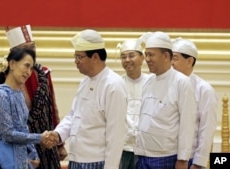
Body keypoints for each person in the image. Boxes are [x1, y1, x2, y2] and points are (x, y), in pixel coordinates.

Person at [51, 29, 127, 169]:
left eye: (79, 57)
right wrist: (58, 134)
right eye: (75, 57)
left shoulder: (113, 85)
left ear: (95, 57)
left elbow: (116, 134)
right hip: (76, 159)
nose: (76, 61)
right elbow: (73, 116)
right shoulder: (85, 82)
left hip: (98, 162)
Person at [0, 25, 67, 169]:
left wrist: (58, 143)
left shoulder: (43, 74)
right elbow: (6, 130)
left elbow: (52, 110)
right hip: (12, 152)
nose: (31, 51)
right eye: (25, 48)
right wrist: (37, 140)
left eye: (32, 47)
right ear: (13, 60)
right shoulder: (2, 87)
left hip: (44, 146)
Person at [134, 31, 197, 169]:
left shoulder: (182, 82)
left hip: (166, 157)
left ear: (166, 56)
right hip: (142, 155)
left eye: (151, 55)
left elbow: (187, 124)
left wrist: (183, 159)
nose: (147, 59)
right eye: (146, 55)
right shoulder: (148, 81)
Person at [0, 47, 55, 169]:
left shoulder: (19, 94)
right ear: (12, 64)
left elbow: (24, 128)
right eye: (26, 66)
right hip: (4, 157)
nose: (28, 72)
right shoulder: (1, 94)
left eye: (31, 68)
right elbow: (8, 134)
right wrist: (39, 137)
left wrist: (33, 154)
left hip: (22, 157)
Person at [172, 37, 218, 169]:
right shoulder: (167, 86)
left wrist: (198, 163)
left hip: (191, 158)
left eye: (174, 58)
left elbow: (207, 129)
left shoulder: (204, 90)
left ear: (189, 61)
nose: (171, 63)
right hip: (167, 157)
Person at [117, 40, 151, 169]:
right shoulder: (116, 84)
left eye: (131, 56)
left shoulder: (152, 82)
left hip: (147, 148)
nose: (127, 60)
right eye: (123, 57)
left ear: (142, 58)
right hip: (123, 148)